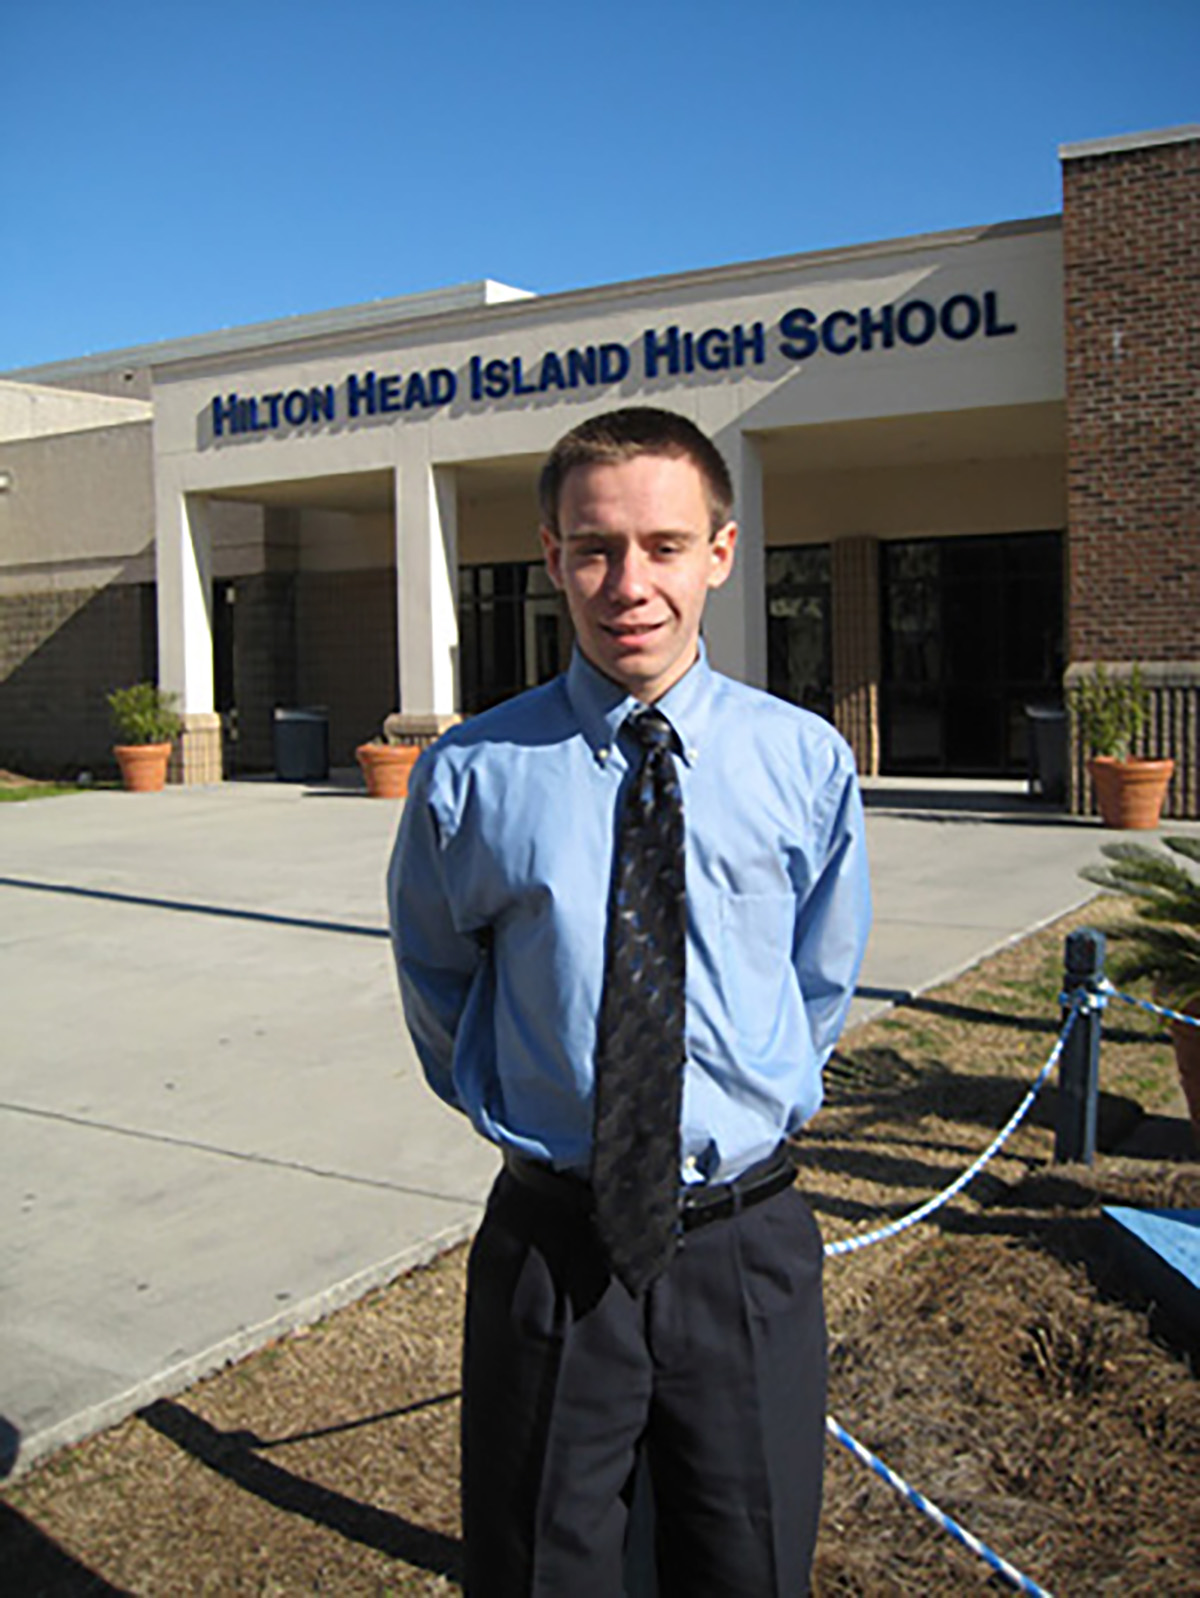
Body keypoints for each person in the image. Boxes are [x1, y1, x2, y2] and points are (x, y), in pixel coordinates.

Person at [388, 406, 871, 1596]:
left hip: (746, 1246)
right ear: (552, 556)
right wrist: (544, 1116)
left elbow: (820, 979)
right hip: (553, 1244)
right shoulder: (472, 774)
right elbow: (439, 979)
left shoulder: (803, 760)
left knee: (749, 1563)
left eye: (663, 545)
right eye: (595, 547)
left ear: (720, 551)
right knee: (541, 1566)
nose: (629, 582)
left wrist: (742, 1100)